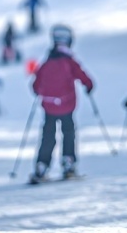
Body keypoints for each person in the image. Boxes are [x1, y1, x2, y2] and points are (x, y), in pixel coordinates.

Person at [30, 24, 94, 183]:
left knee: (48, 136)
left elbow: (35, 84)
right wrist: (89, 85)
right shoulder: (69, 60)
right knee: (68, 133)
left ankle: (42, 166)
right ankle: (68, 163)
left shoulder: (47, 61)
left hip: (49, 106)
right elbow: (82, 75)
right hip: (67, 105)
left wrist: (41, 93)